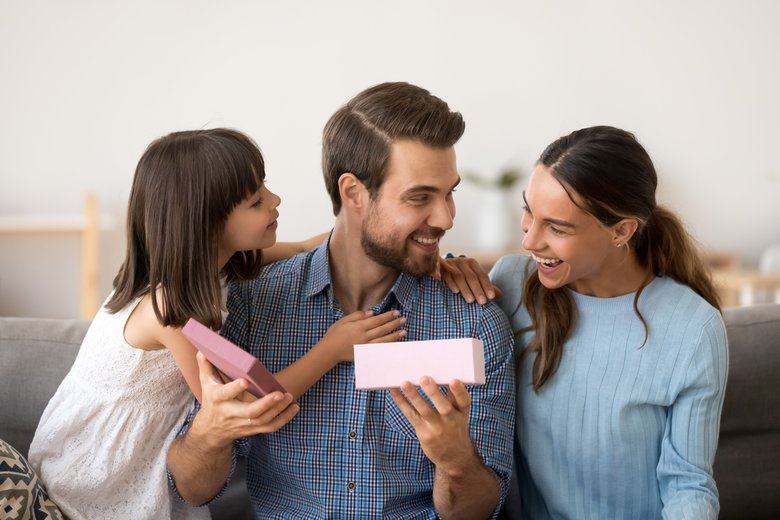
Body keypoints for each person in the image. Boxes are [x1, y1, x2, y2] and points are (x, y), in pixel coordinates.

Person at [167, 82, 516, 519]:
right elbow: (193, 489)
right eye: (420, 197)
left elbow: (478, 510)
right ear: (352, 193)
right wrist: (209, 432)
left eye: (450, 193)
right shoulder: (251, 305)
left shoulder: (473, 323)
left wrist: (455, 461)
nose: (446, 218)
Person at [28, 128, 405, 520]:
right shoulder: (169, 309)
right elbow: (242, 406)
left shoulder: (210, 266)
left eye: (265, 188)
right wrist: (332, 349)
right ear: (208, 226)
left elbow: (304, 246)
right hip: (94, 477)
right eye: (257, 200)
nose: (275, 201)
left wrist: (416, 247)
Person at [443, 125, 729, 519]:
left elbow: (688, 485)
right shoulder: (509, 285)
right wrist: (446, 273)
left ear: (622, 231)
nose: (529, 241)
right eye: (529, 210)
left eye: (557, 228)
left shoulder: (694, 328)